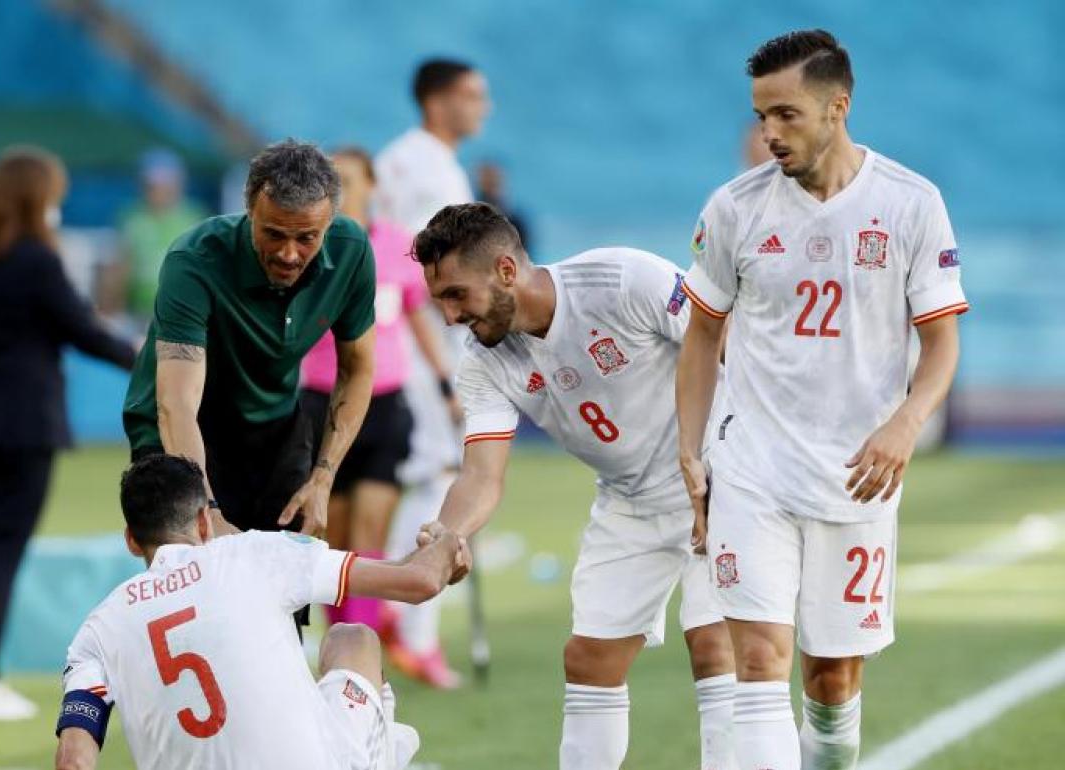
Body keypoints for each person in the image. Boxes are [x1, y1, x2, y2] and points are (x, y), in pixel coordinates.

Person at [675, 30, 967, 770]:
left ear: (838, 106)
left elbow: (940, 344)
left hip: (858, 475)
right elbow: (702, 335)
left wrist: (905, 423)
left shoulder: (910, 203)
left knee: (830, 681)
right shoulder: (734, 209)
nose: (768, 133)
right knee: (762, 663)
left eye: (786, 115)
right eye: (760, 115)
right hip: (752, 468)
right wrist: (693, 449)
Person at [412, 203, 737, 770]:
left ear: (506, 271)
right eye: (440, 299)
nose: (447, 316)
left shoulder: (622, 279)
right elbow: (480, 476)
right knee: (588, 660)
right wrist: (447, 534)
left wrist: (739, 453)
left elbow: (724, 339)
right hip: (629, 500)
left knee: (714, 645)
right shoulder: (484, 364)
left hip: (719, 481)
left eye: (457, 295)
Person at [53, 453, 469, 770]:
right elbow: (419, 581)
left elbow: (74, 758)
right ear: (203, 522)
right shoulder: (254, 553)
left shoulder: (99, 628)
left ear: (131, 539)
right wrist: (449, 541)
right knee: (351, 638)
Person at [0, 145, 137, 720]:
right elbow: (83, 330)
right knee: (3, 552)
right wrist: (147, 360)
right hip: (25, 428)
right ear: (38, 199)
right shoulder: (37, 263)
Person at [122, 139, 377, 560]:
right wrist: (208, 511)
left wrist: (323, 479)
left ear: (330, 223)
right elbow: (176, 404)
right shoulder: (195, 260)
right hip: (176, 428)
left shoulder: (351, 251)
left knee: (280, 592)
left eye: (307, 238)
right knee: (193, 582)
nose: (289, 253)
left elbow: (356, 368)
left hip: (273, 427)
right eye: (273, 233)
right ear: (249, 212)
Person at [299, 147, 456, 636]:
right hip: (323, 406)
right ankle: (340, 645)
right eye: (332, 180)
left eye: (348, 178)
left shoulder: (396, 246)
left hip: (385, 406)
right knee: (334, 537)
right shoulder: (308, 248)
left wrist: (447, 382)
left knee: (371, 533)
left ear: (372, 186)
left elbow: (418, 319)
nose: (341, 189)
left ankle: (361, 645)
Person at [374, 57, 490, 687]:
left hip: (405, 346)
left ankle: (399, 617)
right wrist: (452, 368)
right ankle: (407, 620)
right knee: (438, 477)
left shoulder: (404, 158)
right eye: (473, 95)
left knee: (424, 474)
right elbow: (428, 271)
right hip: (426, 351)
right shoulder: (428, 168)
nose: (483, 107)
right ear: (437, 100)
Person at [98, 148, 208, 326]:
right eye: (150, 185)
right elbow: (119, 267)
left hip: (182, 313)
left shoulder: (193, 217)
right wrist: (110, 314)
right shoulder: (131, 218)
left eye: (162, 184)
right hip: (140, 313)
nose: (155, 191)